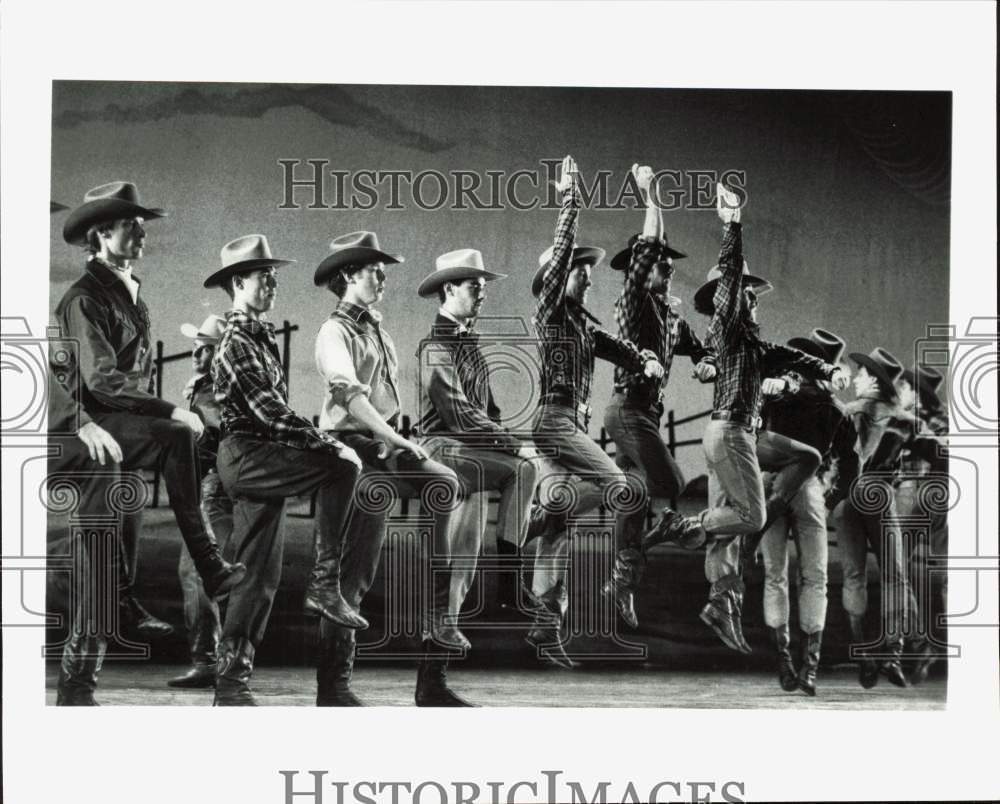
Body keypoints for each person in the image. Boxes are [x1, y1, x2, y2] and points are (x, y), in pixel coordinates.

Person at [643, 184, 848, 654]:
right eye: (745, 295)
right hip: (731, 434)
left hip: (740, 435)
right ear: (729, 301)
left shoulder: (750, 343)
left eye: (751, 295)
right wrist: (732, 224)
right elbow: (732, 283)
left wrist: (826, 371)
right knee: (744, 517)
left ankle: (720, 600)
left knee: (803, 460)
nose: (752, 300)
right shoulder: (730, 324)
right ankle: (692, 544)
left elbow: (790, 360)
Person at [55, 182, 246, 626]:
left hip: (121, 421)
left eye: (143, 227)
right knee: (177, 434)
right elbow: (101, 380)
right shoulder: (84, 297)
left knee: (131, 505)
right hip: (89, 421)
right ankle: (209, 564)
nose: (142, 235)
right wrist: (170, 410)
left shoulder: (128, 293)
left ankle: (125, 598)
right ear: (101, 234)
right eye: (131, 227)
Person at [311, 231, 467, 707]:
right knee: (356, 564)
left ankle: (437, 634)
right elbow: (348, 395)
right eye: (376, 270)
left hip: (382, 442)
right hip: (350, 448)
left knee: (444, 482)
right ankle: (333, 685)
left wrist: (402, 436)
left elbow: (385, 399)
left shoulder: (376, 329)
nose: (383, 276)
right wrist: (394, 439)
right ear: (350, 275)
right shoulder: (332, 331)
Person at [206, 234, 363, 705]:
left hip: (260, 457)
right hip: (248, 454)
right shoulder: (235, 342)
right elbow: (269, 411)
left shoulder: (260, 336)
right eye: (263, 276)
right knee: (340, 468)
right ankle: (324, 584)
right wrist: (327, 441)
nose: (273, 283)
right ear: (238, 283)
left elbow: (273, 412)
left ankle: (231, 685)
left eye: (274, 275)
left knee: (257, 574)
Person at [528, 155, 663, 668]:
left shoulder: (584, 325)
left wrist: (644, 357)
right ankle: (546, 509)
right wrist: (570, 198)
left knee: (559, 536)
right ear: (555, 278)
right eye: (579, 270)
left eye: (587, 270)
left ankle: (546, 627)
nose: (587, 276)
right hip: (554, 422)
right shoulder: (550, 313)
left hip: (572, 425)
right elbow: (562, 252)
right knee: (622, 485)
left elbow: (618, 347)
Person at [601, 163, 716, 629]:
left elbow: (700, 352)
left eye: (670, 267)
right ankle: (664, 528)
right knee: (669, 483)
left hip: (643, 412)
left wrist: (707, 364)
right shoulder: (632, 302)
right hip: (627, 410)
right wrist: (650, 195)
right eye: (661, 266)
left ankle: (622, 583)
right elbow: (649, 245)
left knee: (633, 496)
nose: (668, 272)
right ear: (639, 271)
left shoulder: (672, 319)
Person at [415, 248, 544, 646]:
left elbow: (489, 411)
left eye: (484, 287)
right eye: (475, 286)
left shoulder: (471, 346)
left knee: (466, 552)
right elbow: (459, 416)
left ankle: (446, 630)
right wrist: (513, 447)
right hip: (442, 449)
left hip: (471, 454)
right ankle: (510, 583)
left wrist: (505, 445)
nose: (482, 293)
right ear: (449, 289)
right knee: (525, 470)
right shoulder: (435, 346)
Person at [756, 329, 860, 695]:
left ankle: (785, 659)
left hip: (771, 484)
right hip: (808, 488)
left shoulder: (780, 391)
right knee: (813, 576)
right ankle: (807, 666)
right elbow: (850, 465)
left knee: (777, 574)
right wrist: (830, 499)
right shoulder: (836, 409)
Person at [834, 347, 918, 688]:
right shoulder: (904, 419)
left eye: (861, 373)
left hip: (847, 499)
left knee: (853, 576)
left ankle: (865, 655)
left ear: (873, 381)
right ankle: (893, 654)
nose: (855, 377)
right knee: (894, 575)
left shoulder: (850, 410)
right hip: (879, 494)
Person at [168, 314, 235, 689]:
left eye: (206, 346)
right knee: (207, 571)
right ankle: (218, 660)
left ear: (219, 352)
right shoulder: (202, 386)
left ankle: (210, 661)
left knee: (197, 570)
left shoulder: (212, 389)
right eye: (196, 345)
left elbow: (212, 435)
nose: (197, 351)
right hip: (210, 486)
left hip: (210, 485)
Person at [894, 364, 949, 683]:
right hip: (946, 494)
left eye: (903, 388)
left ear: (916, 395)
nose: (899, 393)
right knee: (948, 575)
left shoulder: (908, 423)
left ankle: (919, 642)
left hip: (914, 490)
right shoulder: (944, 423)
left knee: (896, 569)